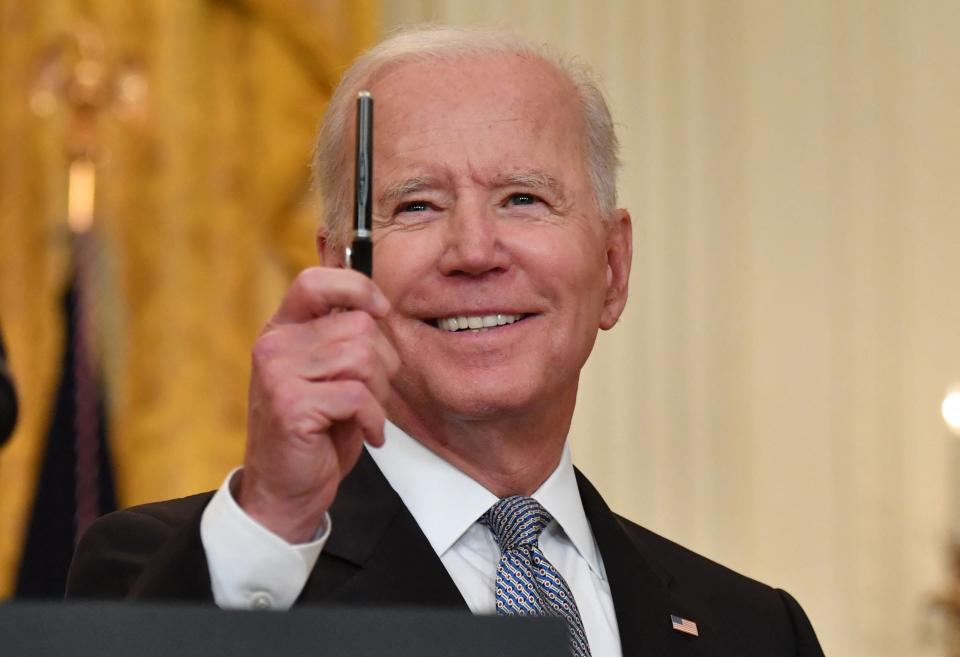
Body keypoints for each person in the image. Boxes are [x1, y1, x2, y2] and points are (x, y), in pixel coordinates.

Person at [67, 26, 825, 656]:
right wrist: (274, 514)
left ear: (613, 268)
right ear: (340, 273)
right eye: (419, 205)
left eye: (523, 199)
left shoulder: (757, 630)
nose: (474, 249)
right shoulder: (179, 568)